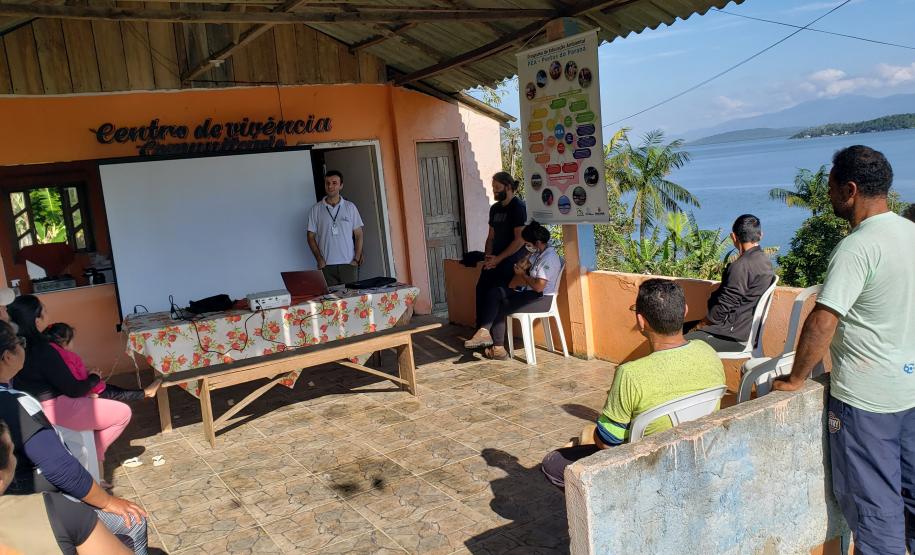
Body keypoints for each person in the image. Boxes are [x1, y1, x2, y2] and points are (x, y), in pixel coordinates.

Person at [772, 146, 915, 555]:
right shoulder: (910, 232)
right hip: (909, 392)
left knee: (876, 514)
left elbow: (823, 320)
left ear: (850, 189)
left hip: (867, 404)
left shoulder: (858, 247)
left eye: (832, 186)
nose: (829, 194)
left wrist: (796, 378)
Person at [541, 279, 725, 489]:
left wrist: (584, 438)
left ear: (641, 321)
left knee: (553, 463)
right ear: (684, 311)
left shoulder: (630, 374)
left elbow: (608, 442)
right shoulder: (708, 352)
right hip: (697, 452)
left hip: (648, 465)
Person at [0, 321, 147, 553]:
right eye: (20, 344)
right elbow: (59, 467)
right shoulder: (14, 403)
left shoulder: (12, 390)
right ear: (8, 356)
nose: (23, 348)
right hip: (33, 506)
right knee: (132, 522)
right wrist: (107, 501)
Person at [7, 296, 132, 476]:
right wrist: (94, 378)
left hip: (31, 409)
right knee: (123, 413)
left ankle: (93, 457)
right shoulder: (44, 350)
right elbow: (74, 390)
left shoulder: (15, 347)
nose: (48, 314)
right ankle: (96, 456)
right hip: (54, 409)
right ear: (37, 320)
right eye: (45, 311)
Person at [0, 419, 131, 555]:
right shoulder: (55, 509)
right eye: (12, 451)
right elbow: (61, 469)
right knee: (134, 523)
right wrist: (106, 501)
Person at [464, 221, 561, 360]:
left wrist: (523, 275)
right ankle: (485, 333)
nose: (527, 246)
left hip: (541, 298)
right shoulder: (538, 253)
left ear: (538, 242)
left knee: (499, 303)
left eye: (528, 243)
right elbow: (522, 265)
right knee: (495, 292)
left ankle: (496, 347)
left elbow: (539, 286)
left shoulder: (549, 259)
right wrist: (526, 257)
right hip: (529, 293)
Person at [684, 214, 775, 352]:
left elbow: (723, 307)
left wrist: (698, 326)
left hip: (732, 335)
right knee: (678, 330)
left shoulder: (741, 266)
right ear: (760, 235)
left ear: (733, 237)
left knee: (672, 341)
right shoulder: (764, 261)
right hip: (745, 331)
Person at [43, 323, 160, 402]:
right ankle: (147, 392)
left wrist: (88, 372)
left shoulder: (51, 353)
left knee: (115, 389)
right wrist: (93, 376)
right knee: (119, 393)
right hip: (91, 390)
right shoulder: (66, 356)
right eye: (73, 340)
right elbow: (73, 381)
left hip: (91, 387)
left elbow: (72, 375)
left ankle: (145, 392)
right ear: (64, 342)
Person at [474, 172, 527, 332]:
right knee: (481, 291)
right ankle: (480, 334)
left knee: (495, 296)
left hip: (510, 261)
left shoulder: (518, 207)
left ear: (508, 187)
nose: (495, 191)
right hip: (493, 261)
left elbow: (519, 240)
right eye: (493, 188)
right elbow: (491, 237)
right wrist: (488, 258)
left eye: (498, 188)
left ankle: (494, 341)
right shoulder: (495, 209)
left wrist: (499, 259)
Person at [306, 170, 365, 286]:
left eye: (334, 183)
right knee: (332, 301)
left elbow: (359, 234)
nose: (330, 186)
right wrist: (319, 260)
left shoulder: (350, 207)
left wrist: (356, 259)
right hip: (326, 266)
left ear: (341, 185)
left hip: (348, 264)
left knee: (351, 299)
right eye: (327, 183)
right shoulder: (316, 209)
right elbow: (310, 236)